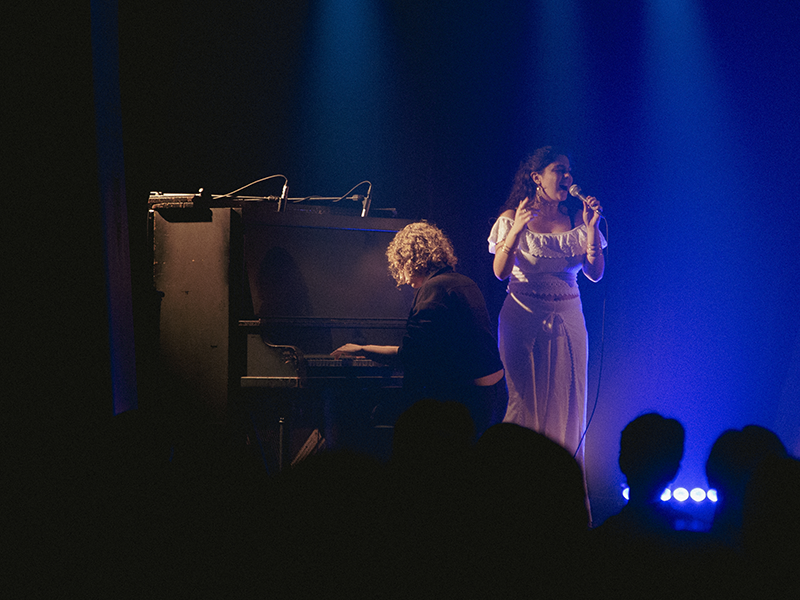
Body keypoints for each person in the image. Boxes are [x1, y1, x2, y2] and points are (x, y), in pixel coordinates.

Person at [333, 221, 507, 438]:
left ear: (410, 260)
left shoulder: (433, 289)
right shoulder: (464, 282)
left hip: (467, 402)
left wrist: (363, 349)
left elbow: (411, 356)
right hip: (495, 396)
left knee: (376, 415)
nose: (402, 277)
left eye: (400, 265)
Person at [489, 146, 605, 464]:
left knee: (568, 400)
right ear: (537, 177)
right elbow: (499, 272)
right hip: (523, 317)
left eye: (569, 170)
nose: (568, 176)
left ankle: (561, 484)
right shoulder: (511, 218)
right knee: (524, 403)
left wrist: (592, 229)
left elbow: (595, 274)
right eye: (559, 170)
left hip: (569, 318)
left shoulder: (577, 219)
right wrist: (516, 229)